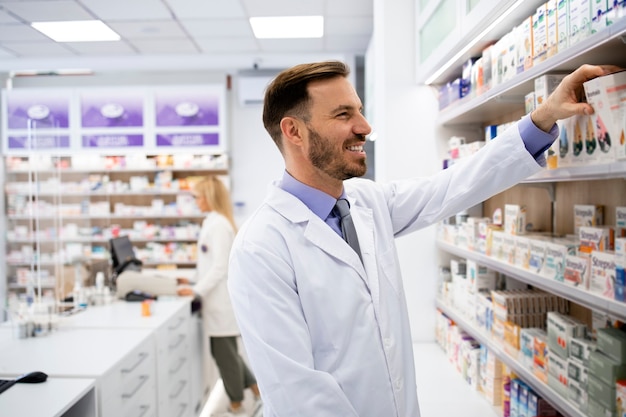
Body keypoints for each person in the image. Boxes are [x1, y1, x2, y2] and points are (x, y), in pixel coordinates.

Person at [227, 61, 619, 417]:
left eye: (360, 110)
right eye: (344, 114)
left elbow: (453, 186)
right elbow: (298, 395)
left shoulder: (367, 202)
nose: (364, 126)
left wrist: (545, 115)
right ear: (293, 131)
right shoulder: (261, 247)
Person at [177, 176, 261, 416]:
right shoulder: (211, 222)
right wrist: (192, 281)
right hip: (214, 303)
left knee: (225, 358)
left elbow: (219, 268)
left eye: (197, 196)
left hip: (221, 305)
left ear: (209, 197)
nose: (195, 201)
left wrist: (195, 291)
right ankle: (257, 392)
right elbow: (206, 264)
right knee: (228, 354)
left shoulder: (219, 226)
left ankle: (237, 405)